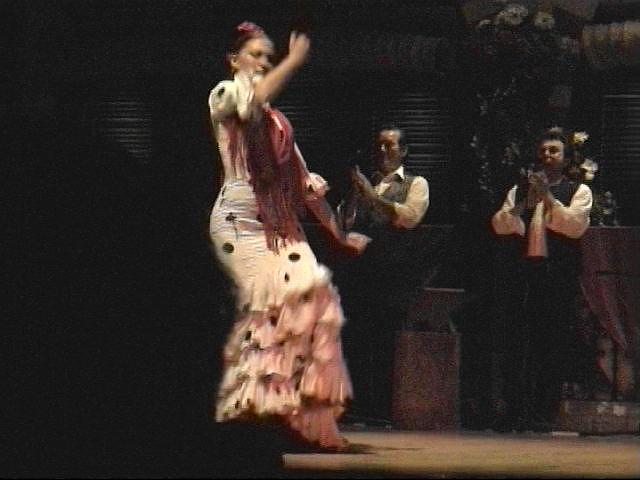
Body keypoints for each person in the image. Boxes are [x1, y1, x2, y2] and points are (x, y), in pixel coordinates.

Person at [207, 21, 369, 455]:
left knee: (315, 294)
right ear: (234, 59)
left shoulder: (279, 123)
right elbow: (252, 100)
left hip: (279, 227)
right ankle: (251, 416)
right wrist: (294, 62)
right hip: (239, 224)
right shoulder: (225, 95)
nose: (264, 62)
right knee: (263, 312)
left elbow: (303, 185)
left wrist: (338, 235)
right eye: (256, 54)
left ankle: (299, 418)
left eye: (269, 57)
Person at [491, 127, 593, 432]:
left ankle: (542, 412)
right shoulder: (519, 190)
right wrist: (525, 202)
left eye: (554, 151)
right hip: (522, 274)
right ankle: (514, 410)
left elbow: (574, 226)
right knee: (515, 342)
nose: (547, 156)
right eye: (543, 151)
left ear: (566, 159)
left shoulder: (578, 191)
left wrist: (548, 197)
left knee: (551, 343)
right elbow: (500, 225)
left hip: (556, 275)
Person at [335, 126, 430, 422]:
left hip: (392, 274)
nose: (382, 150)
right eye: (379, 145)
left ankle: (381, 411)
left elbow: (410, 217)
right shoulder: (367, 183)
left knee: (383, 341)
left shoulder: (416, 183)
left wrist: (372, 197)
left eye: (390, 145)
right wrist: (355, 196)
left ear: (404, 151)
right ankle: (355, 406)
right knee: (354, 340)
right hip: (358, 274)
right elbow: (344, 223)